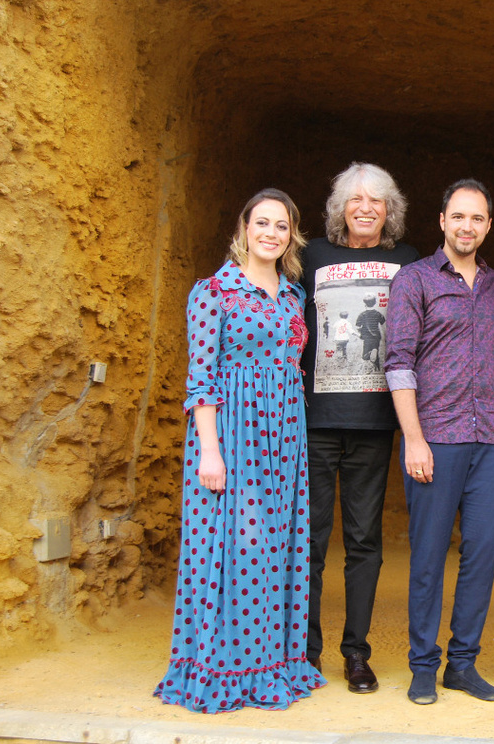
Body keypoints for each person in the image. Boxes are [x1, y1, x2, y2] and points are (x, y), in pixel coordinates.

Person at [155, 188, 324, 712]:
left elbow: (292, 367)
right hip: (232, 435)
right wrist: (210, 450)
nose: (271, 234)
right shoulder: (214, 292)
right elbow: (201, 380)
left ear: (291, 235)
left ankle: (273, 665)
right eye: (262, 224)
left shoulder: (293, 296)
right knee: (235, 550)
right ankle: (224, 671)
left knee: (278, 548)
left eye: (282, 226)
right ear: (244, 229)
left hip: (285, 435)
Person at [385, 179, 494, 705]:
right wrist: (413, 439)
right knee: (429, 556)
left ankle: (463, 663)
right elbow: (397, 363)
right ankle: (422, 666)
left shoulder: (492, 281)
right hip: (435, 437)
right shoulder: (413, 280)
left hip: (492, 439)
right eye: (458, 216)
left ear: (488, 225)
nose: (467, 226)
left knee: (482, 553)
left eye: (477, 218)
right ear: (441, 220)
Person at [299, 162, 419, 692]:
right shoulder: (311, 258)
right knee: (310, 541)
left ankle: (356, 653)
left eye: (376, 201)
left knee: (364, 542)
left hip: (375, 423)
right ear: (340, 209)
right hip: (314, 422)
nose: (365, 208)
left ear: (389, 210)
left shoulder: (409, 261)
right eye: (355, 200)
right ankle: (303, 652)